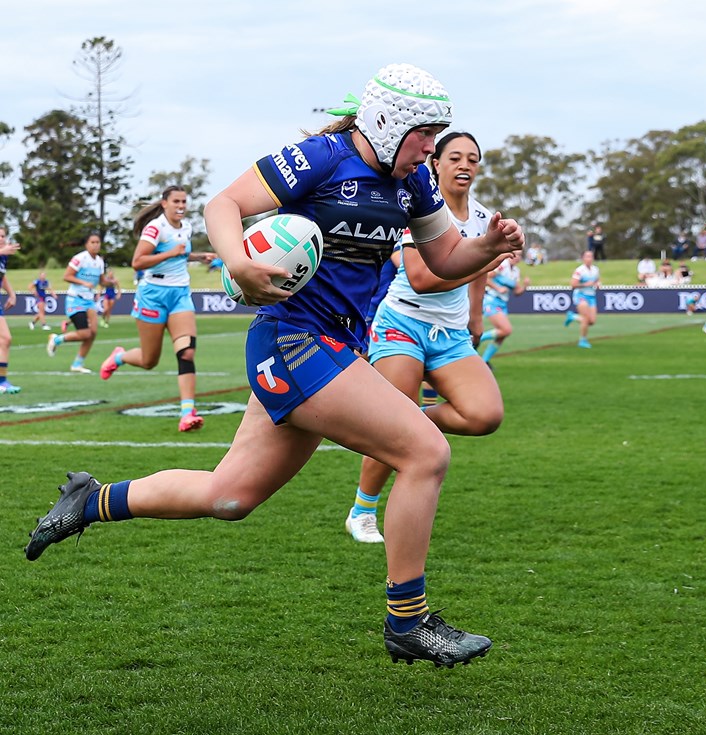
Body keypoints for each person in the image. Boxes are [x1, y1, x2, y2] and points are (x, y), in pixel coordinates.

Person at [25, 63, 524, 669]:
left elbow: (445, 257)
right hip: (293, 340)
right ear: (391, 121)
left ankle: (92, 499)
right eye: (426, 133)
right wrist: (237, 261)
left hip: (336, 347)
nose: (432, 148)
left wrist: (489, 247)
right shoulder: (322, 156)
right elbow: (224, 204)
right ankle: (408, 622)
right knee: (425, 452)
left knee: (230, 497)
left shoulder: (411, 181)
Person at [345, 131, 504, 545]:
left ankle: (409, 419)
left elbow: (480, 274)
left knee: (485, 416)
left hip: (450, 334)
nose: (464, 165)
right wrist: (490, 255)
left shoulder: (484, 219)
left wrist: (475, 317)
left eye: (472, 158)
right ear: (436, 163)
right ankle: (362, 510)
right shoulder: (419, 209)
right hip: (403, 322)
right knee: (399, 416)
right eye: (454, 157)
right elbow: (420, 280)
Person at [98, 186, 214, 432]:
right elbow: (137, 262)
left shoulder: (186, 227)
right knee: (149, 360)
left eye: (184, 201)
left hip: (180, 293)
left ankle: (187, 413)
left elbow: (181, 255)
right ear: (164, 203)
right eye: (176, 201)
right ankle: (119, 356)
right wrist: (171, 252)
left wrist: (199, 256)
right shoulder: (155, 228)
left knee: (186, 353)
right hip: (153, 295)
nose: (181, 205)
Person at [46, 231, 105, 374]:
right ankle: (57, 339)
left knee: (93, 333)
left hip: (89, 300)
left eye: (98, 242)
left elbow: (102, 281)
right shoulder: (80, 258)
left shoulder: (100, 261)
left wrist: (111, 283)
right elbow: (67, 276)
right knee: (85, 334)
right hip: (75, 299)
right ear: (86, 244)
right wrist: (84, 282)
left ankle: (77, 364)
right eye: (93, 242)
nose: (96, 245)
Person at [479, 250, 530, 362]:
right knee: (506, 330)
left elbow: (517, 292)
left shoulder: (516, 271)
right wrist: (498, 288)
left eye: (520, 255)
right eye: (515, 254)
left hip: (502, 304)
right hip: (492, 300)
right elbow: (485, 277)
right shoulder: (502, 265)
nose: (517, 257)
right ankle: (476, 338)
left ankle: (485, 361)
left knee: (501, 337)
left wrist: (525, 286)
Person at [0, 226, 21, 394]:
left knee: (5, 339)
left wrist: (12, 294)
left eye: (3, 236)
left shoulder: (3, 256)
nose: (1, 239)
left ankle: (2, 381)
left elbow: (2, 276)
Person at [564, 250, 600, 348]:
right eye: (587, 256)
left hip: (591, 296)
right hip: (581, 295)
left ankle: (572, 317)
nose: (589, 258)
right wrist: (585, 284)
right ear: (583, 258)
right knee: (585, 318)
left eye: (591, 256)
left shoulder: (595, 269)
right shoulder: (579, 270)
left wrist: (597, 284)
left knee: (591, 321)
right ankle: (582, 340)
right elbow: (573, 285)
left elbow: (597, 280)